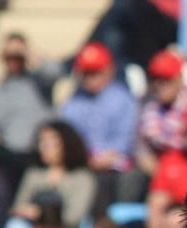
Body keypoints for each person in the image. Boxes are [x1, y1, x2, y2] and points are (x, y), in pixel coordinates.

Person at [61, 41, 142, 207]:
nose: (90, 77)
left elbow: (126, 138)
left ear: (109, 70)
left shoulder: (123, 98)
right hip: (82, 164)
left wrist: (105, 158)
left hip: (115, 166)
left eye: (95, 72)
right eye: (86, 72)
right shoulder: (73, 101)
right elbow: (67, 134)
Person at [0, 33, 56, 191]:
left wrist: (27, 53)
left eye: (17, 55)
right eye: (9, 55)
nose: (13, 59)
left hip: (38, 157)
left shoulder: (40, 85)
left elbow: (55, 72)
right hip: (8, 160)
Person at [8, 121, 97, 228]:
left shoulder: (82, 178)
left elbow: (73, 216)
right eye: (41, 142)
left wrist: (41, 213)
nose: (43, 147)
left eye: (50, 142)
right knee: (15, 227)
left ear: (66, 143)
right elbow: (19, 206)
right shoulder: (34, 174)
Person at [137, 49, 187, 178]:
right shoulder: (144, 103)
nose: (159, 85)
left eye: (166, 79)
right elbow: (136, 142)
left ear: (179, 79)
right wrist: (148, 161)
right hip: (156, 166)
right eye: (155, 79)